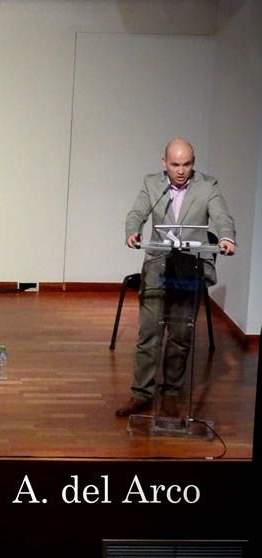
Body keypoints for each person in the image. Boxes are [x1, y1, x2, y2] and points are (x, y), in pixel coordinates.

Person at [116, 138, 236, 417]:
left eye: (187, 164)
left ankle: (171, 390)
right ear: (164, 163)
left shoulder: (208, 186)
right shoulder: (151, 184)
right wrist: (133, 231)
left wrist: (227, 236)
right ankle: (141, 394)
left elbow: (222, 216)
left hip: (190, 269)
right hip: (159, 267)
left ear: (193, 163)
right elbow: (137, 212)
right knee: (149, 334)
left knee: (181, 335)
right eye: (175, 165)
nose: (181, 171)